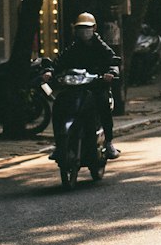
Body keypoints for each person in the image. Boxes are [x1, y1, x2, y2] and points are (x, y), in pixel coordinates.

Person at [49, 12, 121, 159]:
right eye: (80, 28)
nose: (84, 31)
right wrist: (50, 72)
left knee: (103, 105)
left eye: (87, 28)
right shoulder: (74, 47)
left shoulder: (101, 47)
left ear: (94, 28)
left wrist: (110, 73)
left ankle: (108, 142)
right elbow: (59, 62)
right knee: (58, 105)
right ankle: (59, 144)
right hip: (75, 88)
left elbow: (112, 60)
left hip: (95, 87)